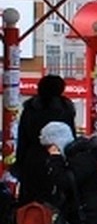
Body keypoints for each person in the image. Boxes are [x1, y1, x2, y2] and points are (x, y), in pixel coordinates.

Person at [14, 74, 76, 207]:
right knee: (55, 202)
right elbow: (71, 138)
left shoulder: (31, 108)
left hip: (32, 161)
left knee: (30, 203)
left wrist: (19, 165)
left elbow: (23, 139)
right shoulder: (65, 109)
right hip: (58, 160)